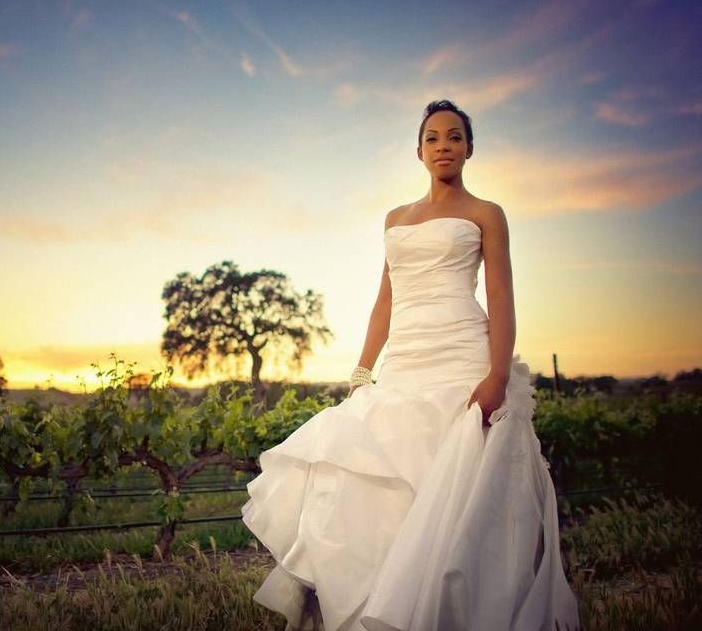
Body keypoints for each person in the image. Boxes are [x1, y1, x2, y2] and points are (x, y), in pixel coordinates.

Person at [240, 99, 580, 631]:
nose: (443, 145)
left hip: (462, 352)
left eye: (454, 137)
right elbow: (384, 302)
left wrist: (495, 375)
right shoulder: (396, 219)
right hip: (404, 359)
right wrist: (361, 373)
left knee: (459, 481)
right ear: (418, 151)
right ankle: (382, 604)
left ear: (469, 148)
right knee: (380, 476)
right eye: (432, 138)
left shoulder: (486, 213)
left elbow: (501, 296)